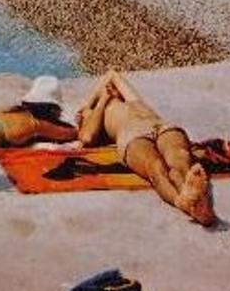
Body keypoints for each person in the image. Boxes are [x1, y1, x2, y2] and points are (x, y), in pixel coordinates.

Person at [75, 69, 215, 225]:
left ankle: (193, 196)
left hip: (159, 125)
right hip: (131, 134)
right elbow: (87, 137)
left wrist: (96, 97)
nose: (110, 87)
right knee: (155, 166)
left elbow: (112, 74)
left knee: (180, 156)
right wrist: (99, 101)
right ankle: (183, 203)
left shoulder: (131, 99)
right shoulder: (93, 112)